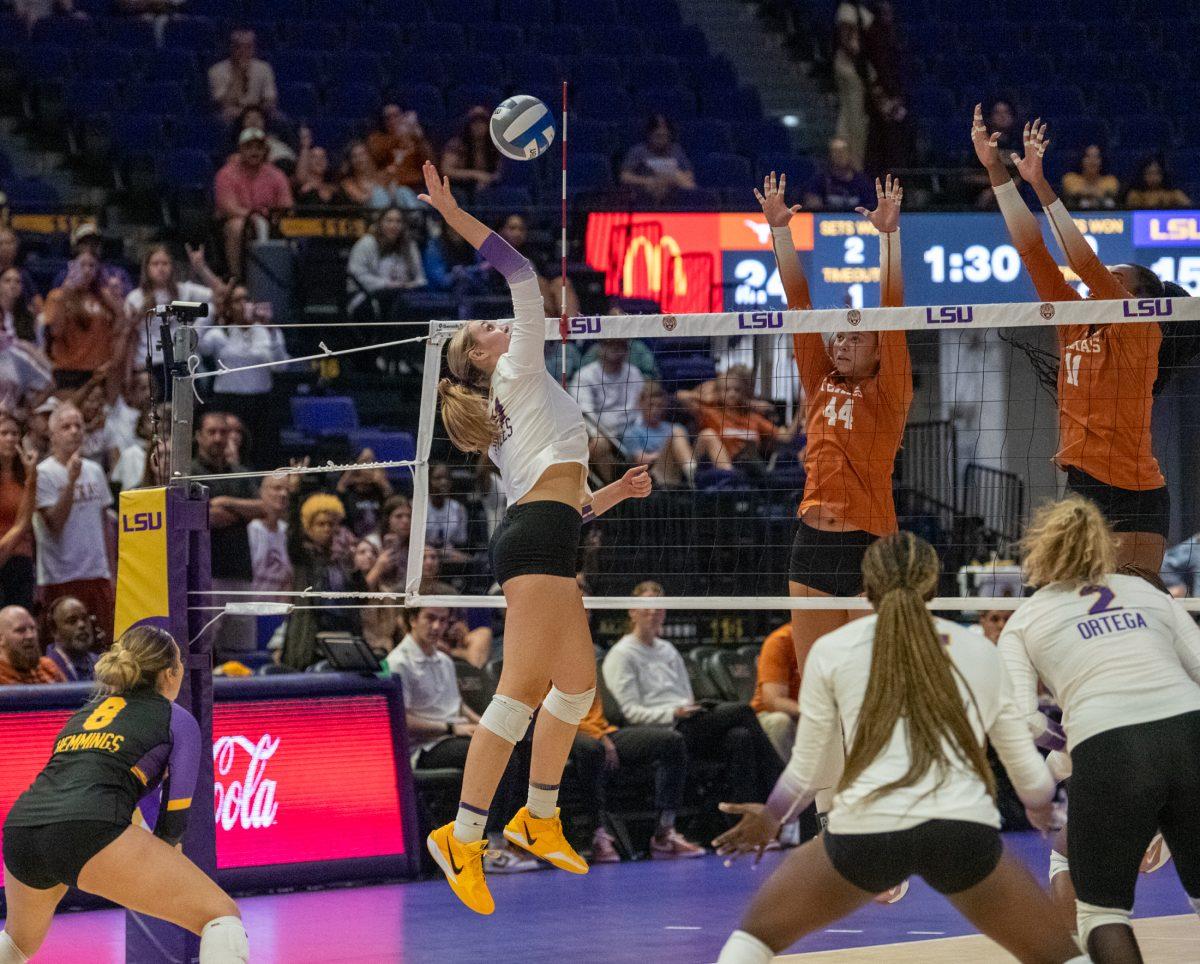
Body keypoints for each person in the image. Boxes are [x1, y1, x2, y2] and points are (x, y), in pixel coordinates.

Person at [422, 159, 653, 914]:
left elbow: (557, 505)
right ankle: (461, 835)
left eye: (490, 323)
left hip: (543, 534)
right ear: (484, 357)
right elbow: (521, 272)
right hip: (533, 543)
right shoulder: (515, 369)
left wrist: (610, 495)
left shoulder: (508, 416)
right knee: (519, 693)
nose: (496, 324)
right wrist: (455, 216)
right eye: (482, 330)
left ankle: (539, 815)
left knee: (576, 687)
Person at [712, 532, 1084, 964]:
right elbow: (1029, 776)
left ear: (865, 588)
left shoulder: (832, 650)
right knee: (1064, 956)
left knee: (750, 942)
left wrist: (772, 817)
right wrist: (1045, 807)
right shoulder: (979, 648)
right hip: (961, 831)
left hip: (866, 831)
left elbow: (812, 768)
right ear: (934, 587)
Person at [999, 497, 1200, 962]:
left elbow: (1025, 720)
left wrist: (1063, 750)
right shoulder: (1148, 593)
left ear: (1041, 550)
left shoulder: (1026, 618)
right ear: (1103, 546)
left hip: (1108, 745)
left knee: (1101, 914)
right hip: (1190, 732)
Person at [973, 108, 1169, 570]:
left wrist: (1041, 184)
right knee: (1063, 598)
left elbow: (1084, 264)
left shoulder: (1141, 327)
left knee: (1136, 607)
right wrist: (996, 170)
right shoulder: (1074, 320)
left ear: (1136, 298)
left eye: (1112, 281)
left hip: (1140, 491)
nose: (1090, 288)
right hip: (1086, 485)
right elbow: (1032, 249)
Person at [0, 626, 249, 963]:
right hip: (88, 827)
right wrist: (160, 859)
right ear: (171, 673)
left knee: (17, 944)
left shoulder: (84, 714)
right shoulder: (176, 719)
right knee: (220, 915)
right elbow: (173, 822)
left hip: (22, 831)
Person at [760, 172, 911, 678]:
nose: (841, 344)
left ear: (879, 351)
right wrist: (780, 231)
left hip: (866, 542)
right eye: (839, 338)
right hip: (812, 542)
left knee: (869, 684)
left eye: (855, 339)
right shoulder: (820, 379)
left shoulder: (890, 392)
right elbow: (798, 304)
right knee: (817, 686)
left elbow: (892, 311)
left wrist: (888, 237)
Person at [386, 603, 539, 875]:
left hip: (455, 735)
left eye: (442, 621)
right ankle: (490, 844)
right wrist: (450, 729)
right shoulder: (399, 662)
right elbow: (402, 720)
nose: (437, 627)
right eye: (430, 619)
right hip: (426, 747)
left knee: (514, 747)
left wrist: (486, 726)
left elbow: (457, 707)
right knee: (496, 757)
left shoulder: (444, 660)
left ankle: (506, 836)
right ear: (411, 620)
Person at [604, 580, 783, 811]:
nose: (653, 612)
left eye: (659, 607)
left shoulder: (668, 650)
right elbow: (630, 711)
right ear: (632, 611)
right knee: (743, 711)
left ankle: (745, 818)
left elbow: (686, 696)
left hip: (689, 721)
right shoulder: (622, 654)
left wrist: (687, 709)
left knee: (739, 737)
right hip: (663, 729)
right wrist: (673, 712)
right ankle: (783, 788)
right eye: (646, 606)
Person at [569, 690, 704, 861]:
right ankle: (598, 834)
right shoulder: (542, 665)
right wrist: (598, 736)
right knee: (592, 749)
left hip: (604, 731)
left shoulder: (584, 666)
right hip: (563, 732)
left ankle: (664, 833)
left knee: (672, 741)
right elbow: (550, 712)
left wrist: (601, 734)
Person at [33, 403, 115, 641]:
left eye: (78, 426)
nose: (74, 431)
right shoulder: (42, 473)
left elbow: (104, 524)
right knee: (63, 645)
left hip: (96, 573)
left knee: (103, 645)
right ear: (52, 435)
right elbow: (55, 524)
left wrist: (112, 570)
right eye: (66, 426)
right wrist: (71, 482)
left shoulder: (94, 470)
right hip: (60, 576)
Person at [190, 413, 262, 661]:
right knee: (204, 651)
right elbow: (196, 516)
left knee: (241, 652)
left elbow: (262, 508)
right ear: (198, 436)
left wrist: (225, 502)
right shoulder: (190, 473)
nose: (219, 438)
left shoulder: (239, 472)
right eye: (212, 432)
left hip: (240, 572)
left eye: (223, 432)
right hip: (206, 575)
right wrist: (219, 514)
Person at [198, 284, 288, 469]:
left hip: (260, 403)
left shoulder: (268, 331)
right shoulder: (219, 333)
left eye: (246, 299)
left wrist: (271, 330)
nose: (243, 304)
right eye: (237, 300)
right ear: (230, 306)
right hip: (228, 402)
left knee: (262, 455)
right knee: (228, 453)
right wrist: (213, 311)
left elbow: (281, 366)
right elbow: (195, 343)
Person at [280, 491, 357, 670]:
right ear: (308, 527)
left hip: (342, 633)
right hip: (310, 636)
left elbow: (361, 599)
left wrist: (355, 569)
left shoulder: (342, 561)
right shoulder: (303, 558)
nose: (326, 529)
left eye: (331, 524)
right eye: (320, 524)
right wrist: (295, 492)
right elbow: (293, 534)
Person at [41, 249, 128, 389]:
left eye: (92, 266)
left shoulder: (103, 298)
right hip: (68, 369)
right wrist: (65, 293)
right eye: (82, 265)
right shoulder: (57, 295)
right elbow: (56, 331)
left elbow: (121, 319)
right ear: (73, 267)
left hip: (97, 370)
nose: (87, 270)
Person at [214, 128, 293, 279]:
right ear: (240, 150)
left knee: (290, 226)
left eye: (258, 148)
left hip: (270, 220)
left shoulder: (276, 174)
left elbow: (287, 205)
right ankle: (236, 277)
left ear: (265, 151)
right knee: (237, 226)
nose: (254, 152)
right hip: (238, 220)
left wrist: (274, 216)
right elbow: (229, 207)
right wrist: (254, 217)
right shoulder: (226, 174)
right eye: (249, 147)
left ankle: (283, 278)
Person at [125, 244, 221, 368]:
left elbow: (221, 294)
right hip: (148, 363)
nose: (160, 268)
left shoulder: (185, 290)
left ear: (172, 267)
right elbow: (130, 337)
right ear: (147, 268)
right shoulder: (135, 297)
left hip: (181, 361)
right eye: (155, 264)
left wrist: (201, 269)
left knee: (211, 308)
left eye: (165, 263)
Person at [569, 339, 645, 482]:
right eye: (611, 344)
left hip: (631, 431)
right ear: (600, 348)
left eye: (621, 345)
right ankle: (611, 491)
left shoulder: (634, 373)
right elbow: (585, 413)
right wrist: (600, 435)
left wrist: (640, 431)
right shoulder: (585, 375)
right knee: (599, 444)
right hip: (599, 432)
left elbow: (640, 408)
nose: (616, 349)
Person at [346, 206, 427, 319]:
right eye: (389, 220)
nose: (394, 225)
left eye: (398, 221)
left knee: (413, 304)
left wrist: (410, 285)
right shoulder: (366, 243)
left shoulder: (409, 245)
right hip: (366, 296)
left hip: (403, 294)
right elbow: (357, 275)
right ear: (380, 222)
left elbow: (420, 278)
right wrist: (387, 284)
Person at [618, 380, 694, 488]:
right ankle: (693, 473)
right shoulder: (632, 432)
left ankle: (723, 479)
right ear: (641, 404)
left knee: (707, 435)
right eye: (651, 405)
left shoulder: (675, 427)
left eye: (659, 406)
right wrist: (669, 451)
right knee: (676, 433)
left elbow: (687, 451)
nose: (655, 410)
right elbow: (642, 460)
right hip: (656, 476)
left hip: (680, 470)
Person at [0, 416, 38, 609]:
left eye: (14, 433)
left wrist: (31, 477)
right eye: (4, 433)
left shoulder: (25, 475)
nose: (10, 438)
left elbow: (25, 522)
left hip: (20, 558)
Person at [750, 623, 800, 763]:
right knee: (780, 722)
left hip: (813, 716)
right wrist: (815, 713)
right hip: (767, 714)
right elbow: (773, 701)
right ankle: (783, 782)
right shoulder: (781, 641)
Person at [619, 114, 695, 203]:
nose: (662, 140)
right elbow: (624, 177)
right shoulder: (638, 151)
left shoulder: (676, 150)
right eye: (658, 136)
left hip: (672, 186)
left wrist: (671, 179)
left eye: (665, 136)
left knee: (682, 180)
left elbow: (689, 175)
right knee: (657, 187)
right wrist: (648, 181)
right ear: (649, 135)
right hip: (646, 186)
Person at [208, 27, 277, 121]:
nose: (243, 51)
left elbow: (270, 99)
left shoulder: (264, 68)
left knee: (280, 119)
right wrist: (238, 75)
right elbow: (222, 103)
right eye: (238, 47)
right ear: (231, 47)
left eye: (248, 47)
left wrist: (255, 113)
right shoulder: (216, 70)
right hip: (231, 113)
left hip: (257, 112)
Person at [367, 105, 434, 194]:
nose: (392, 120)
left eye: (396, 116)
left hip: (415, 186)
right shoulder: (377, 139)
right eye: (388, 118)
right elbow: (377, 156)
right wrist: (398, 136)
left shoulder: (416, 139)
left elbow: (431, 163)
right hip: (388, 187)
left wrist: (419, 138)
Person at [801, 137, 875, 212]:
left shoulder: (863, 182)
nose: (840, 155)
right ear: (830, 156)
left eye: (843, 151)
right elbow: (813, 208)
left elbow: (870, 209)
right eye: (835, 152)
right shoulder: (819, 180)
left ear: (850, 154)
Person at [247, 475, 292, 596]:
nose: (283, 494)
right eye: (277, 488)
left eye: (287, 490)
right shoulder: (251, 529)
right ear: (262, 492)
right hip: (252, 606)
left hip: (281, 608)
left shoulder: (286, 530)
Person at [441, 106, 501, 194]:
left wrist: (489, 179)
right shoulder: (457, 144)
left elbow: (500, 171)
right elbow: (446, 170)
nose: (478, 127)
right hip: (460, 187)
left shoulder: (494, 146)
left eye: (482, 123)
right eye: (475, 123)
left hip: (487, 187)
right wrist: (475, 175)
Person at [336, 449, 393, 539]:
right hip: (352, 538)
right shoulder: (349, 492)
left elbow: (391, 497)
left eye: (372, 461)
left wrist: (380, 479)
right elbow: (341, 487)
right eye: (365, 461)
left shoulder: (379, 492)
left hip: (378, 538)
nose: (369, 465)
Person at [0, 604, 64, 685]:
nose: (30, 636)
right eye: (20, 630)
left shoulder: (48, 668)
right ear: (1, 639)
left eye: (33, 628)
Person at [43, 595, 98, 682]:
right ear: (54, 630)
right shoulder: (43, 673)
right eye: (72, 621)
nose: (82, 625)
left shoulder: (102, 663)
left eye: (85, 618)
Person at [293, 129, 345, 208]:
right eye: (314, 157)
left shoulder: (333, 186)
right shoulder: (300, 184)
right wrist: (305, 146)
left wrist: (320, 187)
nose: (319, 160)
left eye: (323, 157)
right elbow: (300, 178)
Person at [1061, 144, 1120, 211]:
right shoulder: (1070, 178)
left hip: (1106, 219)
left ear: (1101, 161)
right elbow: (1073, 191)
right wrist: (1096, 193)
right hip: (1077, 219)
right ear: (1082, 160)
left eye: (1096, 157)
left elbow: (1112, 189)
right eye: (1088, 157)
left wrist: (1086, 193)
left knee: (1108, 202)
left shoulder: (1110, 180)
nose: (1092, 161)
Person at [1124, 154, 1193, 209]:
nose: (1153, 177)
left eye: (1157, 173)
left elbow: (1191, 209)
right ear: (1142, 175)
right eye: (1149, 173)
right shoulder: (1135, 195)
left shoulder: (1173, 194)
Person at [0, 265, 38, 345]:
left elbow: (33, 344)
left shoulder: (28, 316)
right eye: (7, 281)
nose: (13, 285)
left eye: (17, 281)